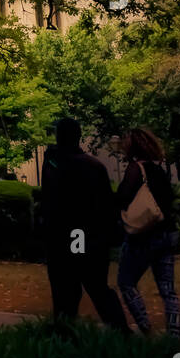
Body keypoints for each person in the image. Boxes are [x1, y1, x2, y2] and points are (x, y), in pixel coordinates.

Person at [40, 117, 128, 331]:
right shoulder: (93, 166)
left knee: (65, 288)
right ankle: (120, 331)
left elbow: (50, 201)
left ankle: (64, 331)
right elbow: (107, 205)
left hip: (67, 236)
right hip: (89, 236)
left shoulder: (55, 163)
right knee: (96, 286)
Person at [116, 128, 180, 339]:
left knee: (126, 282)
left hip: (143, 237)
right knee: (168, 291)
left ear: (133, 146)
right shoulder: (159, 170)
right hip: (167, 235)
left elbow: (122, 197)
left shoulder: (136, 169)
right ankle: (174, 337)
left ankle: (147, 329)